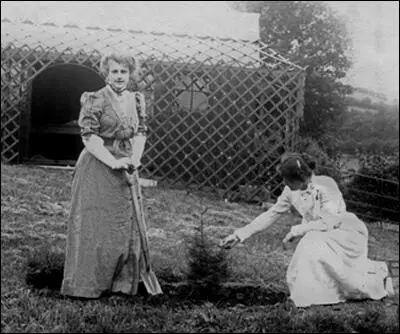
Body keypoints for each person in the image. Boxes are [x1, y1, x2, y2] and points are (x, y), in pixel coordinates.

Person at [220, 152, 394, 307]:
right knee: (313, 250)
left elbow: (329, 222)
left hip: (346, 233)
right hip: (318, 235)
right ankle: (311, 297)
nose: (284, 183)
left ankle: (377, 275)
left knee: (323, 256)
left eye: (287, 179)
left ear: (300, 177)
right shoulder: (290, 191)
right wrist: (239, 234)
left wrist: (297, 230)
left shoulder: (326, 185)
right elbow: (270, 214)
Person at [61, 52, 162, 299]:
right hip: (98, 165)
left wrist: (134, 160)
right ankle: (89, 285)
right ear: (106, 74)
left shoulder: (136, 99)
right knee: (95, 223)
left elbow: (140, 132)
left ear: (130, 74)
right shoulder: (95, 99)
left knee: (125, 223)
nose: (119, 76)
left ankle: (121, 284)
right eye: (114, 71)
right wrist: (113, 162)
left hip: (127, 164)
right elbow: (89, 137)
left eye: (124, 72)